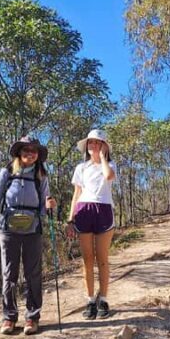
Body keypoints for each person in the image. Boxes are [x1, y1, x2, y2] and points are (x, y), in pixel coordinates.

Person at [0, 136, 55, 336]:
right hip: (8, 228)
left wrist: (49, 208)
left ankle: (32, 316)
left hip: (33, 229)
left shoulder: (41, 175)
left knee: (33, 273)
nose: (30, 153)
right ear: (19, 152)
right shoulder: (7, 172)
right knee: (9, 272)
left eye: (34, 150)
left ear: (38, 155)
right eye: (26, 149)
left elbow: (44, 204)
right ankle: (9, 316)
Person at [67, 129, 117, 320]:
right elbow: (76, 194)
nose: (93, 146)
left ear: (104, 146)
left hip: (104, 210)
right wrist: (70, 219)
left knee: (102, 258)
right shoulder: (81, 168)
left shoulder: (110, 164)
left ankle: (103, 299)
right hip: (83, 210)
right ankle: (90, 300)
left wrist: (103, 157)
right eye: (91, 143)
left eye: (98, 143)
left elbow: (109, 176)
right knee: (87, 259)